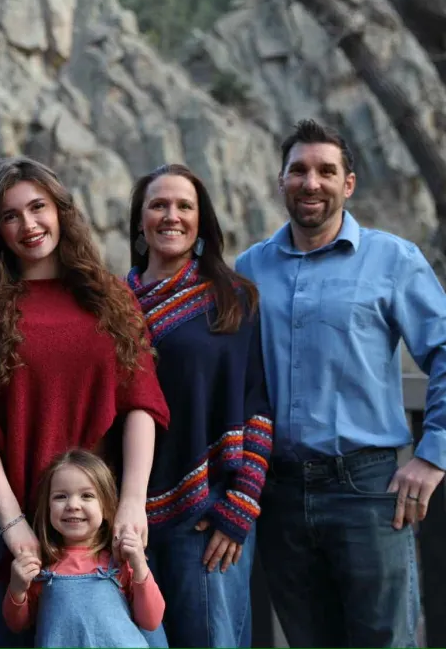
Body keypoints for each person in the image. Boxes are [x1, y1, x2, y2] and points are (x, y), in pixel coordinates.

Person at [234, 119, 446, 648]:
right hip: (277, 493)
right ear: (281, 181)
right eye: (298, 170)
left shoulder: (393, 260)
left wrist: (434, 455)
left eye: (326, 170)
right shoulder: (250, 268)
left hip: (367, 490)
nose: (311, 182)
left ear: (349, 183)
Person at [0, 156, 171, 648]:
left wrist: (132, 503)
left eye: (38, 207)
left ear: (61, 211)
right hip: (1, 513)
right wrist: (13, 522)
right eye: (10, 215)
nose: (28, 225)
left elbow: (141, 404)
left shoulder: (110, 297)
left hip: (89, 517)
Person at [125, 163, 273, 648]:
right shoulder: (112, 305)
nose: (172, 216)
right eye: (158, 205)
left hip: (207, 514)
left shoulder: (232, 300)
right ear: (140, 222)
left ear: (200, 220)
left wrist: (240, 507)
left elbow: (257, 410)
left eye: (184, 206)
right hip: (125, 518)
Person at [4, 449, 166, 648]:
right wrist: (17, 588)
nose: (73, 504)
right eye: (60, 497)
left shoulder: (120, 562)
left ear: (106, 508)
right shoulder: (40, 566)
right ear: (47, 509)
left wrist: (140, 567)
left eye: (87, 496)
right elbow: (17, 624)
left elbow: (151, 621)